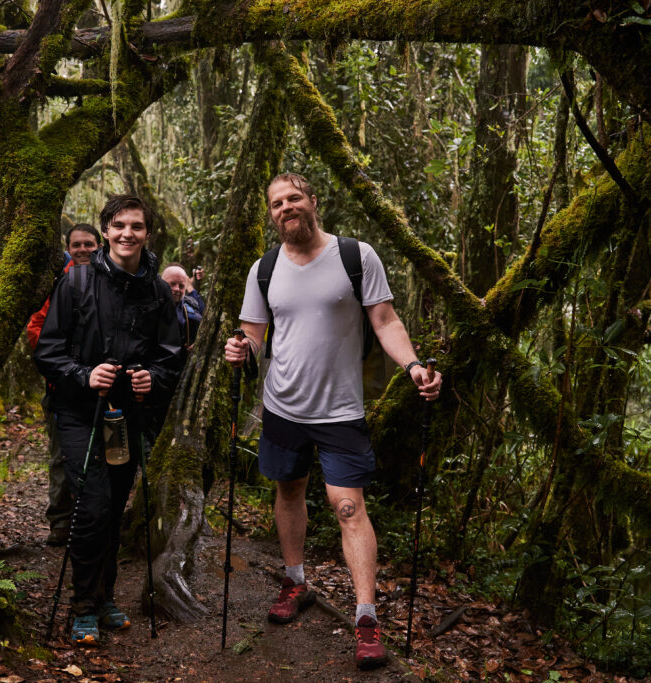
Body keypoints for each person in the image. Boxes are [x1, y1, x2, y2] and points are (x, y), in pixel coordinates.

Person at [224, 173, 441, 671]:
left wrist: (413, 366)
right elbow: (253, 333)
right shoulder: (264, 269)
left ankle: (366, 619)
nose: (285, 208)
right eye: (277, 203)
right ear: (271, 214)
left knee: (348, 508)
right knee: (289, 491)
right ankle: (295, 581)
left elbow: (385, 320)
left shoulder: (355, 256)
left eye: (293, 198)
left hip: (341, 410)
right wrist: (241, 349)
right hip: (282, 406)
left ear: (313, 201)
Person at [34, 195, 182, 647]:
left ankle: (105, 599)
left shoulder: (157, 290)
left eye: (136, 226)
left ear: (147, 233)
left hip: (127, 415)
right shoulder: (76, 281)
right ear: (105, 231)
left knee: (115, 507)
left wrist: (152, 378)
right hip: (79, 412)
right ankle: (82, 606)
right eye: (118, 225)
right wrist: (84, 375)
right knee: (92, 505)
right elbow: (47, 350)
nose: (127, 234)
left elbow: (170, 356)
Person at [25, 224, 102, 546]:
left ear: (100, 246)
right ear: (67, 249)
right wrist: (65, 363)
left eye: (89, 244)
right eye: (76, 245)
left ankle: (98, 518)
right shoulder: (58, 282)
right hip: (63, 387)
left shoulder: (111, 279)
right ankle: (60, 519)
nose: (83, 250)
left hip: (104, 386)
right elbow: (36, 328)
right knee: (61, 455)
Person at [161, 264, 203, 350]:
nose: (177, 289)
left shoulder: (190, 311)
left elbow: (205, 318)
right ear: (161, 283)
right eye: (172, 284)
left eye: (181, 286)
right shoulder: (148, 307)